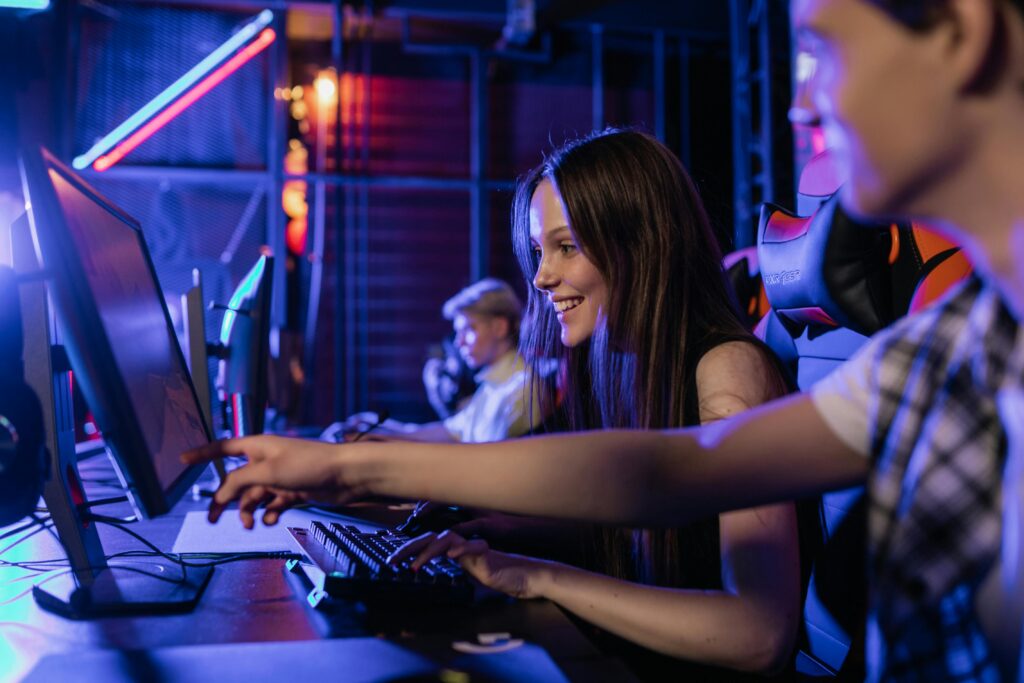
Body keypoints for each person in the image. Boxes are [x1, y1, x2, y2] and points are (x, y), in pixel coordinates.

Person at [184, 0, 1024, 679]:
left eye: (821, 51)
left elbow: (733, 584)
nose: (802, 101)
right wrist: (351, 481)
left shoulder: (751, 363)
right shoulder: (945, 353)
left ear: (961, 28)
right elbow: (667, 470)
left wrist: (357, 468)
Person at [205, 129, 807, 679]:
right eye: (539, 252)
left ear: (641, 243)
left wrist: (541, 575)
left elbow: (757, 635)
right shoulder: (619, 361)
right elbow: (627, 525)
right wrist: (492, 528)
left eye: (566, 247)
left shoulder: (729, 369)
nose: (542, 278)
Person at [324, 278, 542, 443]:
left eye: (469, 329)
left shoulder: (522, 390)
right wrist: (380, 429)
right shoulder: (493, 386)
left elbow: (479, 459)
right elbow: (449, 432)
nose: (459, 343)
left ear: (499, 327)